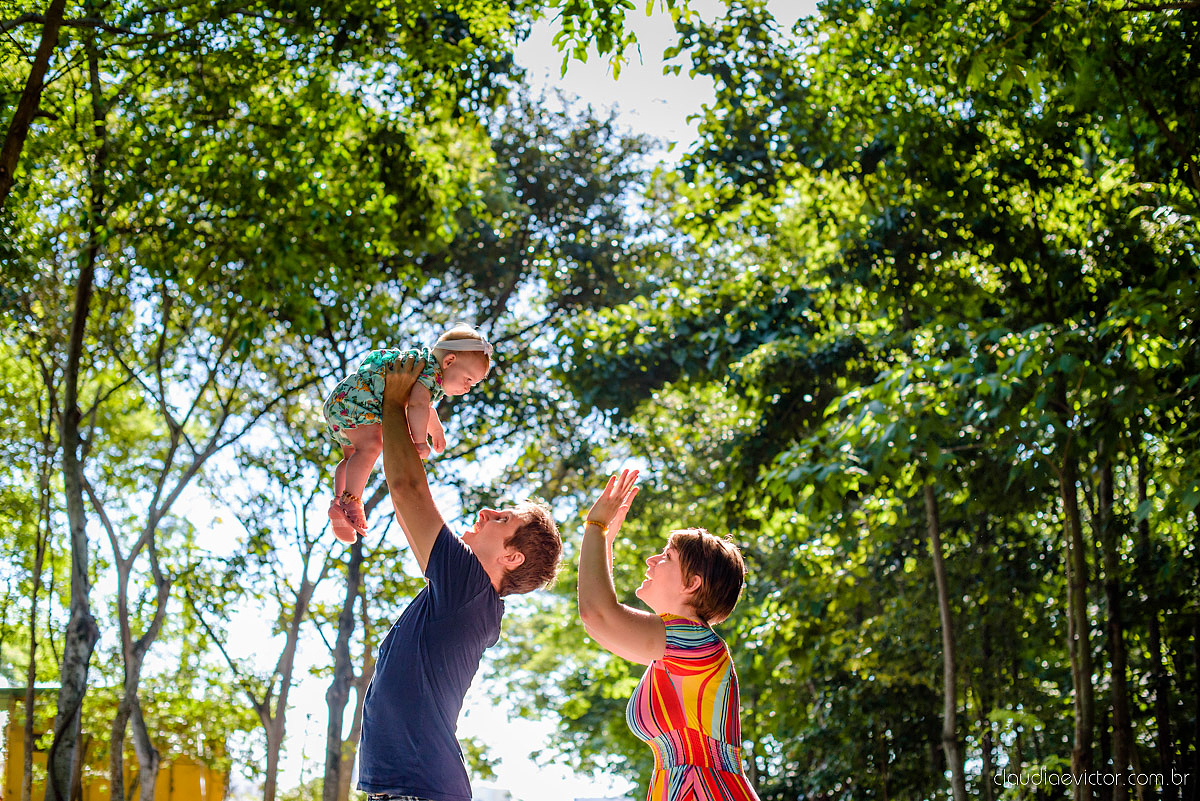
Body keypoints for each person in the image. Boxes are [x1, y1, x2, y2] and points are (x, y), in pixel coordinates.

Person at [355, 353, 562, 801]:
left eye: (502, 519)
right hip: (413, 787)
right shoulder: (463, 594)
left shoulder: (468, 586)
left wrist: (394, 402)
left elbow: (408, 489)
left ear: (512, 558)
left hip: (417, 789)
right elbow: (407, 511)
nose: (487, 511)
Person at [578, 469, 760, 801]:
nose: (651, 560)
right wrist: (603, 539)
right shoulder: (679, 652)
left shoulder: (697, 644)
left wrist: (596, 527)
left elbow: (599, 614)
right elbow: (598, 625)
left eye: (666, 557)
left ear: (692, 584)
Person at [323, 324, 493, 543]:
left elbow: (425, 405)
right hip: (358, 403)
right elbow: (417, 405)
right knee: (371, 447)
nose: (468, 388)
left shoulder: (427, 373)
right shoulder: (430, 374)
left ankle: (337, 503)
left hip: (345, 402)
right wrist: (420, 441)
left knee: (353, 457)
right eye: (468, 379)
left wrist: (437, 430)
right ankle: (351, 501)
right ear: (449, 361)